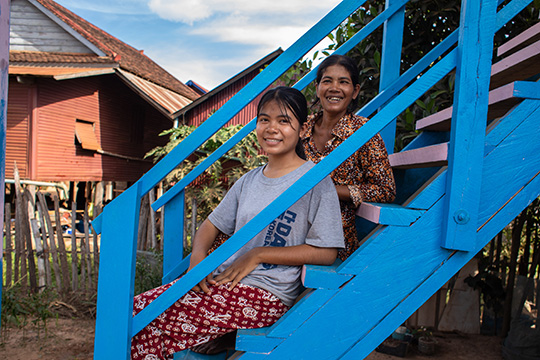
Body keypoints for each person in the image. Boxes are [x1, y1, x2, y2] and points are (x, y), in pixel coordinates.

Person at [131, 86, 344, 360]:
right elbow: (210, 226)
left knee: (147, 321)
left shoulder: (316, 182)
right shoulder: (249, 180)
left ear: (303, 130)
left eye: (283, 121)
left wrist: (258, 254)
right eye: (264, 119)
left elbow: (326, 252)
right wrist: (198, 257)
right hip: (223, 281)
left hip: (266, 293)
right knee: (136, 311)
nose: (271, 128)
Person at [301, 54, 396, 260]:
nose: (334, 88)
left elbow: (385, 190)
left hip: (332, 240)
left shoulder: (364, 132)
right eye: (327, 81)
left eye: (343, 82)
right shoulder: (301, 128)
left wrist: (329, 191)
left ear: (355, 91)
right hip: (290, 225)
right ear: (317, 88)